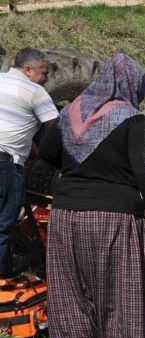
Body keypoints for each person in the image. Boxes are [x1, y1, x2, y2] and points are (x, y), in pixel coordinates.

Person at [38, 52, 145, 338]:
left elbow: (46, 156)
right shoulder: (132, 120)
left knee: (72, 289)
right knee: (123, 292)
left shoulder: (69, 113)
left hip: (66, 215)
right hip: (114, 217)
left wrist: (74, 176)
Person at [0, 47, 58, 277]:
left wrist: (31, 150)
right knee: (2, 227)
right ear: (28, 70)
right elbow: (55, 130)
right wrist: (49, 157)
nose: (45, 79)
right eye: (43, 73)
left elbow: (10, 126)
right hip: (4, 166)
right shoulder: (35, 92)